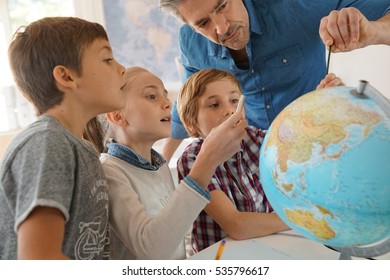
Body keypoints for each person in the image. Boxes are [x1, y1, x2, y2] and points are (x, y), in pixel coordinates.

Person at [159, 0, 390, 161]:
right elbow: (186, 110)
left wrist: (372, 31)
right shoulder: (190, 42)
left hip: (320, 149)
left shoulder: (294, 5)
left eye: (222, 6)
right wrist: (159, 170)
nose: (222, 28)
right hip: (253, 164)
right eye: (202, 24)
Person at [85, 67, 247, 259]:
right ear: (117, 115)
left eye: (165, 95)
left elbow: (177, 237)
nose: (167, 104)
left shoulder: (159, 166)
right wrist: (207, 161)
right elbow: (152, 251)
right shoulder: (111, 173)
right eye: (152, 96)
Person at [0, 17, 126, 260]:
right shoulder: (48, 143)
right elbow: (39, 261)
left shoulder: (82, 148)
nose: (121, 69)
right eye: (107, 59)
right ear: (67, 77)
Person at [176, 68, 290, 251]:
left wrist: (320, 104)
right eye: (214, 105)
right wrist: (298, 219)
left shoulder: (257, 139)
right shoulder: (192, 160)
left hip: (266, 250)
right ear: (191, 122)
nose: (229, 110)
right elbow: (237, 226)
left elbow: (298, 141)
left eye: (234, 101)